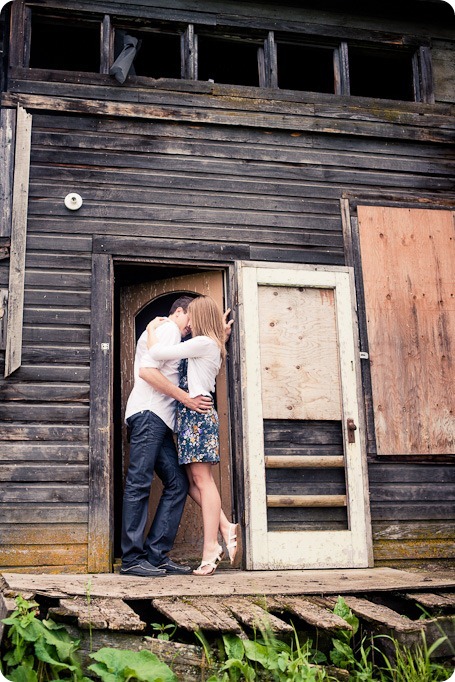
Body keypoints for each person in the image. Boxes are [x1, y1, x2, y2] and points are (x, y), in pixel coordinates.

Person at [121, 296, 213, 578]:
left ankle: (156, 556)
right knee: (139, 482)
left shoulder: (164, 332)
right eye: (191, 318)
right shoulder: (169, 328)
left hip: (156, 418)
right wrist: (186, 399)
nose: (191, 327)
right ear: (179, 312)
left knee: (177, 482)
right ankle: (132, 559)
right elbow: (148, 372)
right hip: (149, 415)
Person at [147, 295, 239, 576]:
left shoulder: (203, 344)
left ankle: (210, 549)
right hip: (190, 417)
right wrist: (221, 335)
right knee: (190, 482)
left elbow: (157, 354)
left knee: (202, 481)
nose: (189, 320)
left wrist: (151, 331)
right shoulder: (210, 344)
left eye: (193, 315)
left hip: (197, 417)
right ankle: (224, 526)